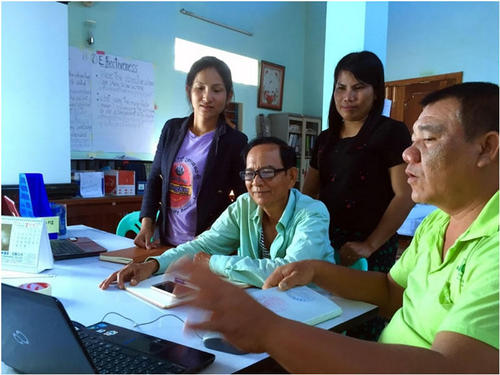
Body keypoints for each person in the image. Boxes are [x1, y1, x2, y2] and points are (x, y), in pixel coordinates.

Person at [173, 82, 499, 373]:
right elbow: (391, 292)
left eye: (428, 139)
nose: (408, 153)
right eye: (250, 174)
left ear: (487, 148)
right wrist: (316, 270)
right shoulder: (438, 222)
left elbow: (453, 368)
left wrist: (268, 330)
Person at [100, 137, 335, 289]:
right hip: (266, 306)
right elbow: (203, 245)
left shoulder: (313, 213)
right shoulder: (245, 206)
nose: (256, 182)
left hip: (314, 314)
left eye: (267, 172)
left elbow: (289, 273)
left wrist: (214, 263)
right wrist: (151, 265)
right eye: (250, 173)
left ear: (292, 177)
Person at [303, 51, 414, 273]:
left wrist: (370, 245)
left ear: (375, 93)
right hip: (323, 241)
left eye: (358, 87)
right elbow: (307, 194)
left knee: (367, 305)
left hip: (371, 246)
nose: (348, 97)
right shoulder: (326, 138)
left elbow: (405, 194)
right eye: (341, 87)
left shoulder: (391, 132)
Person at [135, 56, 247, 249]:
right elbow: (155, 178)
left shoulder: (235, 141)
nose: (207, 96)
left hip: (206, 248)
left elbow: (242, 201)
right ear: (189, 90)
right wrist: (147, 223)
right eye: (200, 88)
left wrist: (215, 234)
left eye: (217, 90)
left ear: (228, 96)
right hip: (165, 244)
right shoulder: (171, 129)